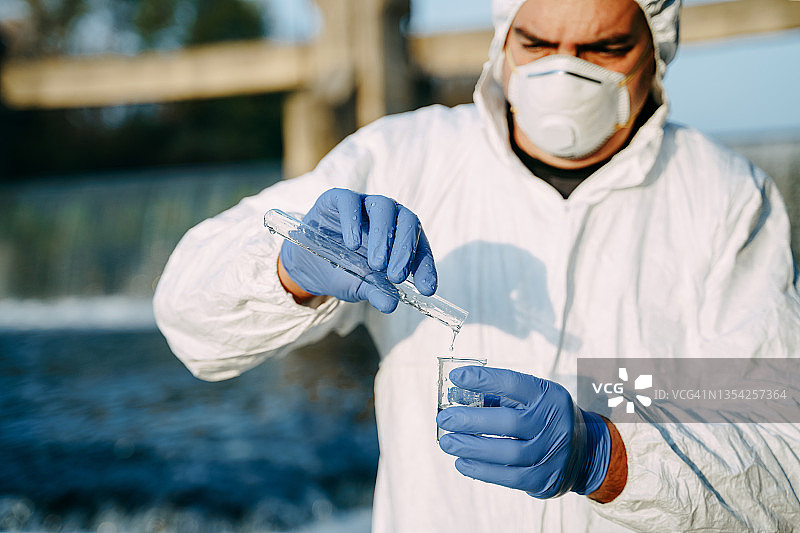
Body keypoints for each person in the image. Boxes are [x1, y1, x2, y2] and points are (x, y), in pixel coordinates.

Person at [154, 0, 800, 530]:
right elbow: (189, 322)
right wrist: (288, 269)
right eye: (538, 42)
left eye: (604, 49)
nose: (566, 73)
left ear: (657, 48)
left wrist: (608, 458)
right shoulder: (409, 157)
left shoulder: (721, 200)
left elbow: (780, 463)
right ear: (502, 40)